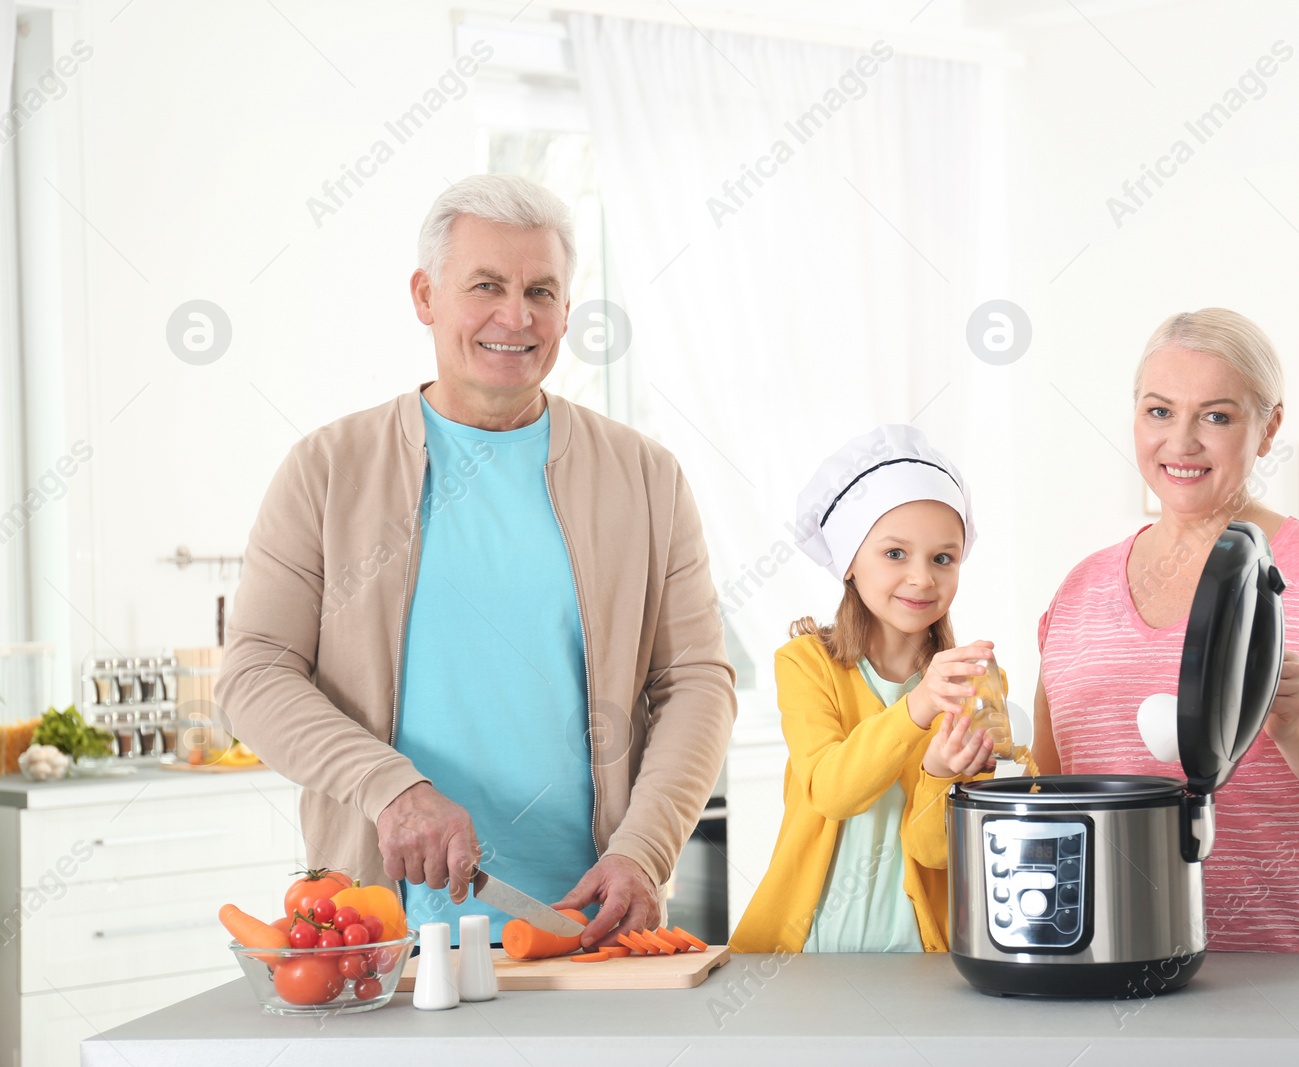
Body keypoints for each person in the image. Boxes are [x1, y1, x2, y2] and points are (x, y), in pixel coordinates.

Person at [217, 174, 735, 948]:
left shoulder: (645, 476)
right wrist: (390, 789)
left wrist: (644, 846)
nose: (515, 316)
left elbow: (696, 679)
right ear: (425, 295)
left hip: (587, 927)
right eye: (486, 285)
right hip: (381, 935)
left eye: (542, 291)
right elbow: (254, 671)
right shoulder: (327, 469)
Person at [1033, 308, 1299, 953]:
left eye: (1217, 416)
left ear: (1268, 427)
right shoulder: (1078, 593)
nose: (1182, 442)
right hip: (1112, 970)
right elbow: (1052, 797)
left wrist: (1294, 730)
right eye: (1159, 412)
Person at [731, 426, 998, 954]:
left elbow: (939, 852)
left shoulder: (974, 684)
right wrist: (919, 708)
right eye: (895, 553)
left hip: (925, 958)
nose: (922, 578)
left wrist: (941, 774)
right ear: (850, 561)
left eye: (944, 558)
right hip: (809, 955)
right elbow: (833, 791)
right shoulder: (807, 665)